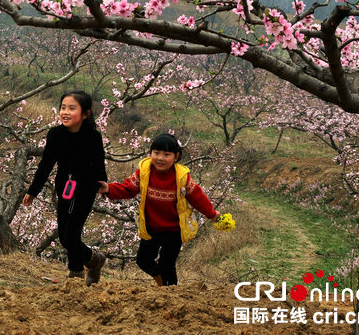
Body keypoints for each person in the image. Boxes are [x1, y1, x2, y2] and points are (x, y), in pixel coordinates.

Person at [97, 133, 220, 287]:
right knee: (143, 260)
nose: (160, 158)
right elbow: (128, 189)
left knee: (167, 264)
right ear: (151, 153)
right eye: (156, 153)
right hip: (151, 228)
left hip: (173, 231)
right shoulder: (144, 172)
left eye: (166, 154)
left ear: (176, 157)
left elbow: (197, 197)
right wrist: (108, 188)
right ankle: (159, 279)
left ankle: (171, 292)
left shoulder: (181, 177)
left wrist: (212, 214)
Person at [21, 90, 108, 286]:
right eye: (63, 107)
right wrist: (33, 190)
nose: (65, 112)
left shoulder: (93, 136)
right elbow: (46, 165)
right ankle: (94, 260)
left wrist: (103, 182)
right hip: (65, 188)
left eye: (71, 108)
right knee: (63, 236)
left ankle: (75, 276)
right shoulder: (55, 135)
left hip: (86, 189)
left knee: (72, 233)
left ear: (85, 114)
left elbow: (99, 162)